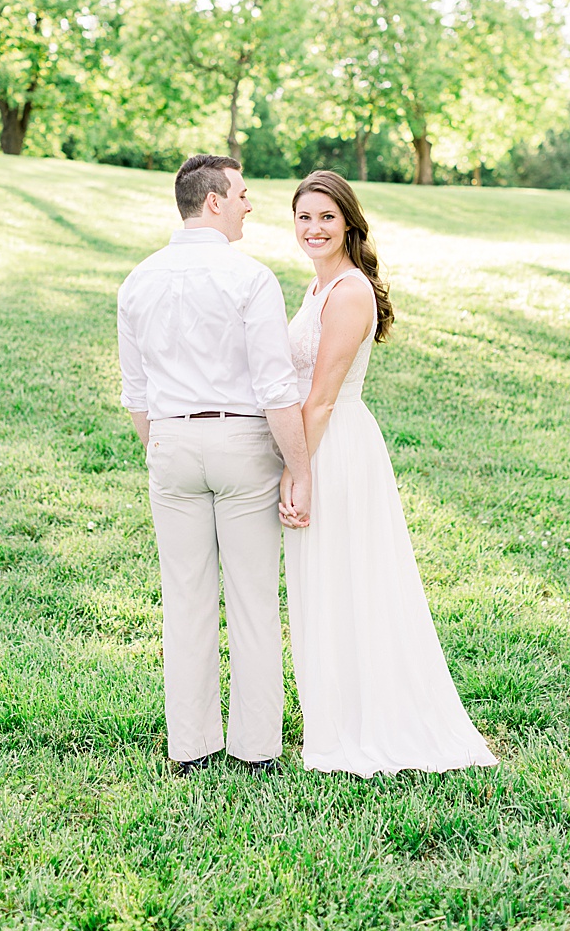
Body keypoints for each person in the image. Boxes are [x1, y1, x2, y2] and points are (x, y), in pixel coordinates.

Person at [279, 170, 496, 777]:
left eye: (326, 217)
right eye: (304, 217)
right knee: (327, 581)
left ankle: (370, 720)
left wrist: (297, 471)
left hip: (334, 446)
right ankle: (337, 711)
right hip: (317, 441)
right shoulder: (317, 286)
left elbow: (322, 398)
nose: (314, 228)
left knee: (349, 580)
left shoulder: (350, 292)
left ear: (348, 222)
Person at [117, 154, 313, 775]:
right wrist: (300, 467)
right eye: (242, 194)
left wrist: (163, 448)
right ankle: (255, 751)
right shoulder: (250, 278)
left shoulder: (137, 281)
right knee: (252, 600)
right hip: (242, 441)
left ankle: (191, 748)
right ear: (214, 201)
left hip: (170, 443)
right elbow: (276, 388)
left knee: (185, 601)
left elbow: (136, 393)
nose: (249, 204)